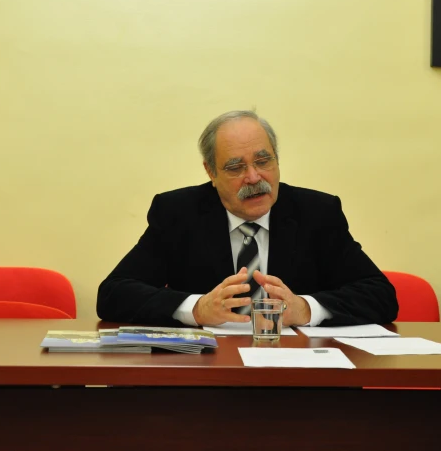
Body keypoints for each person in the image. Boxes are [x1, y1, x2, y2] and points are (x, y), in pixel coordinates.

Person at [96, 110, 398, 327]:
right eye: (235, 167)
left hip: (302, 382)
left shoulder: (317, 213)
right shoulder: (178, 213)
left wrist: (306, 309)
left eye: (263, 161)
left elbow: (380, 295)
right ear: (211, 172)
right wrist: (197, 309)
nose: (254, 178)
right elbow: (113, 294)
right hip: (204, 380)